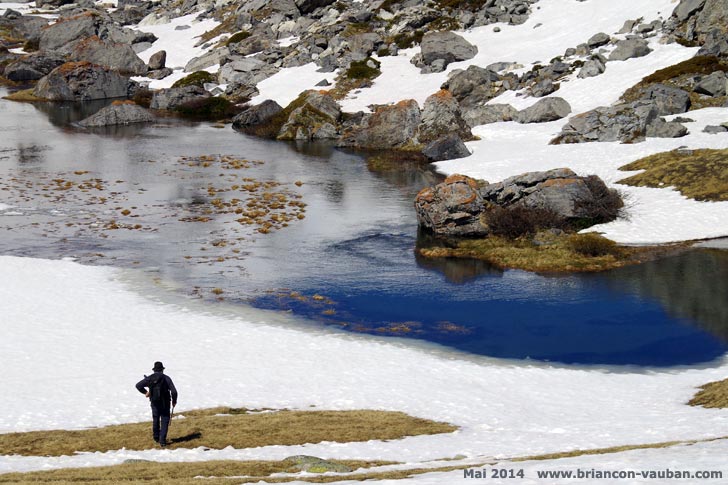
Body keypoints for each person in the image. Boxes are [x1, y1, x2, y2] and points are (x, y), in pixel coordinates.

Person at [135, 361, 178, 447]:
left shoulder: (150, 378)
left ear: (154, 370)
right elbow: (174, 391)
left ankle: (156, 437)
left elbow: (138, 385)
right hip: (165, 403)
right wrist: (174, 401)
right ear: (162, 370)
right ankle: (162, 441)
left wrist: (146, 392)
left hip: (154, 402)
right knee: (165, 420)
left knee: (156, 419)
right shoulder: (166, 378)